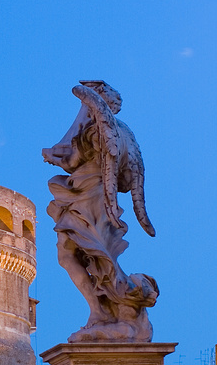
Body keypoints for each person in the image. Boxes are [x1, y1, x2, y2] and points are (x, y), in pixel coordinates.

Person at [42, 80, 158, 342]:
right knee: (84, 254)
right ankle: (101, 309)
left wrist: (54, 155)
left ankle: (102, 309)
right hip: (95, 196)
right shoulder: (124, 134)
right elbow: (131, 180)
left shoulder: (97, 129)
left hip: (87, 195)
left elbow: (71, 160)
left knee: (75, 254)